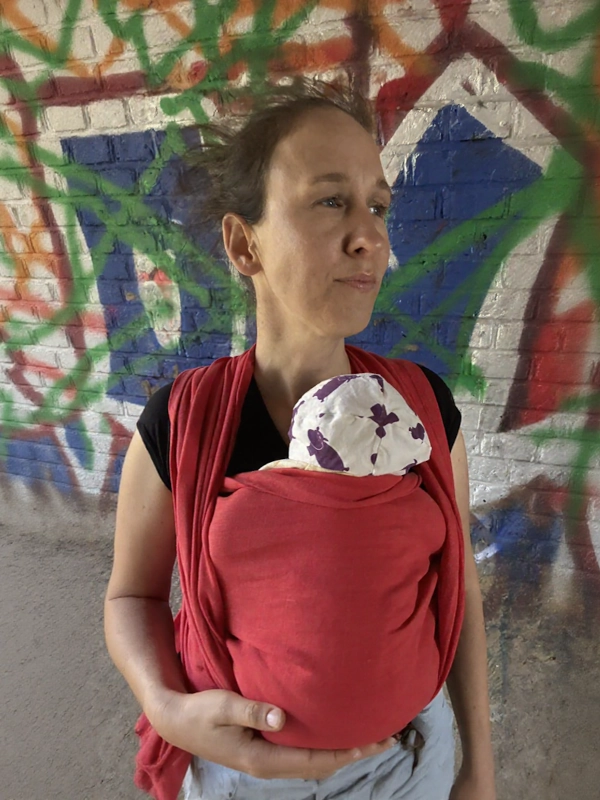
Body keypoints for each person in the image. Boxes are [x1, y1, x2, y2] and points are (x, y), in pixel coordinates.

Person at [104, 79, 496, 800]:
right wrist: (166, 709)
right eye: (330, 201)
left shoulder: (421, 411)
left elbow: (457, 584)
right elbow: (132, 595)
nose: (369, 236)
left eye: (378, 206)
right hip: (238, 778)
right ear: (242, 243)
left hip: (409, 766)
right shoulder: (181, 425)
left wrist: (480, 766)